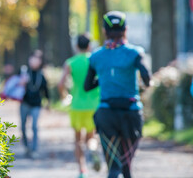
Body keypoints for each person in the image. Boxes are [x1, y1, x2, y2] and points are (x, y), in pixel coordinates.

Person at [84, 11, 150, 178]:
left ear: (104, 31)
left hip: (107, 115)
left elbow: (87, 86)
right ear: (125, 29)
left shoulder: (96, 56)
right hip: (131, 114)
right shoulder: (135, 53)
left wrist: (104, 77)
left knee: (114, 167)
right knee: (126, 167)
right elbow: (147, 79)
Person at [58, 34, 101, 178]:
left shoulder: (70, 62)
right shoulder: (94, 60)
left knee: (78, 140)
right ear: (89, 46)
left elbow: (60, 84)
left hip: (76, 105)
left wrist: (65, 96)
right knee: (91, 137)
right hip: (94, 105)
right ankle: (93, 149)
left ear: (76, 46)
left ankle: (82, 170)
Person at [20, 53, 50, 158]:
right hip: (24, 102)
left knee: (34, 126)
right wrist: (21, 83)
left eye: (37, 60)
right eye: (33, 59)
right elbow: (15, 86)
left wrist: (48, 101)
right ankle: (26, 147)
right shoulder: (24, 72)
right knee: (23, 126)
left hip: (36, 104)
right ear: (29, 60)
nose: (34, 61)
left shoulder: (41, 75)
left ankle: (34, 149)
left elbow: (45, 89)